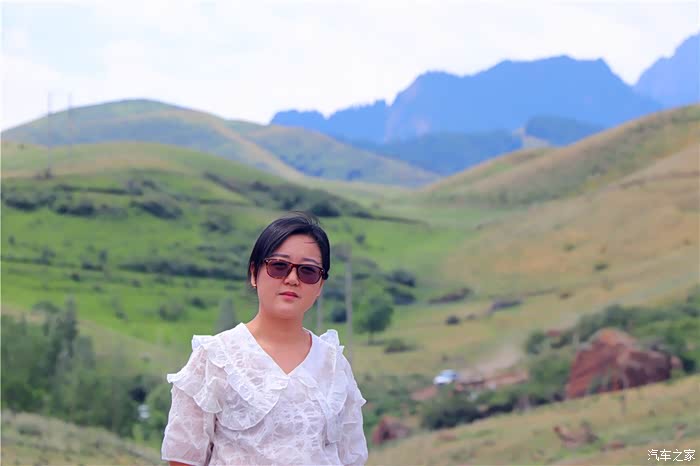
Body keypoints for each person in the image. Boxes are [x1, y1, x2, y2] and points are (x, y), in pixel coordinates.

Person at [161, 212, 368, 466]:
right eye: (279, 266)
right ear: (254, 273)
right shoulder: (215, 359)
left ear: (320, 286)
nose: (292, 279)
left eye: (308, 271)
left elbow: (351, 458)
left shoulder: (334, 365)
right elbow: (183, 459)